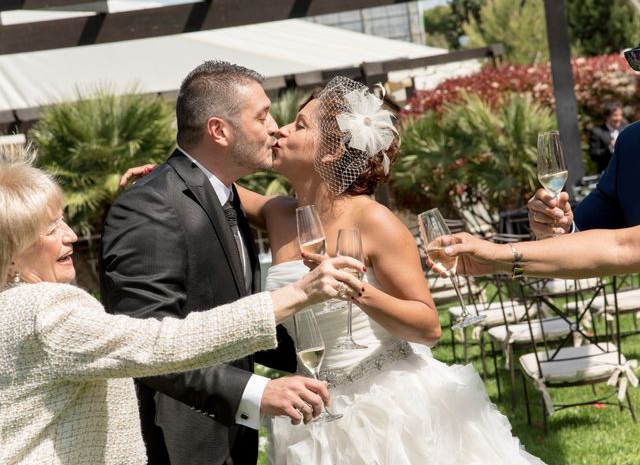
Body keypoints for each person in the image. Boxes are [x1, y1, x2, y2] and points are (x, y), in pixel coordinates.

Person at [239, 77, 543, 464]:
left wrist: (355, 289)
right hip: (313, 409)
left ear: (332, 151)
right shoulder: (277, 214)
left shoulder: (375, 221)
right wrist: (168, 176)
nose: (280, 129)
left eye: (300, 125)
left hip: (390, 406)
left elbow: (428, 326)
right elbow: (210, 184)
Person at [0, 146, 364, 465]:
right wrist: (300, 293)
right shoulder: (45, 311)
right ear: (12, 253)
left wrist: (174, 179)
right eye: (50, 229)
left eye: (63, 219)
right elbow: (164, 344)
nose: (71, 235)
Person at [100, 61, 341, 465]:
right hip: (178, 445)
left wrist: (345, 356)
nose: (275, 127)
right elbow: (142, 344)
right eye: (262, 116)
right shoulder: (150, 205)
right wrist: (256, 392)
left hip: (232, 439)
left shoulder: (224, 196)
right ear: (219, 130)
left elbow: (226, 317)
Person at [528, 51, 640, 238]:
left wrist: (508, 254)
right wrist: (558, 226)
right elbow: (581, 230)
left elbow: (629, 247)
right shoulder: (631, 143)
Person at [427, 225, 640, 279]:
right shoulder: (629, 140)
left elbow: (625, 248)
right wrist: (497, 262)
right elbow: (604, 246)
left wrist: (499, 255)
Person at [588, 101, 627, 173]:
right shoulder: (597, 132)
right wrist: (610, 147)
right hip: (607, 173)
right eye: (615, 115)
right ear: (606, 116)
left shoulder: (626, 128)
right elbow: (593, 155)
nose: (619, 118)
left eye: (620, 115)